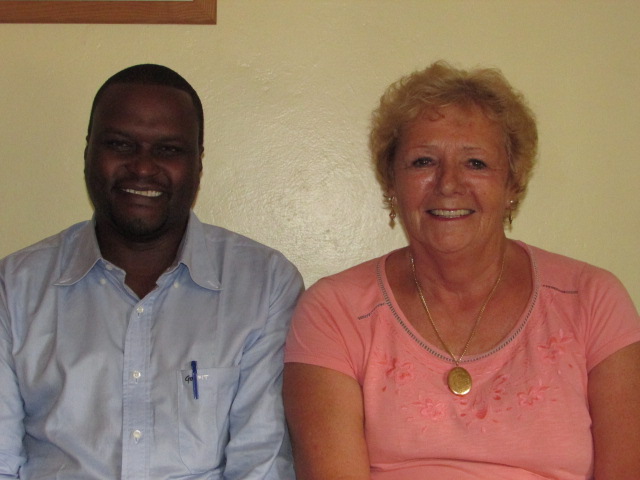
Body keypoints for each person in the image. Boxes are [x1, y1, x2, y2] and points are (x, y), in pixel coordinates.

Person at [283, 60, 640, 479]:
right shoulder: (336, 311)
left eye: (476, 163)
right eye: (423, 162)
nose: (448, 184)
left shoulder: (591, 300)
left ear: (512, 183)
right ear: (391, 183)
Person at [0, 64, 303, 479]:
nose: (143, 168)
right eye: (120, 145)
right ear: (88, 153)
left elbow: (261, 463)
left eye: (168, 150)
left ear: (198, 163)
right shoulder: (14, 288)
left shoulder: (263, 285)